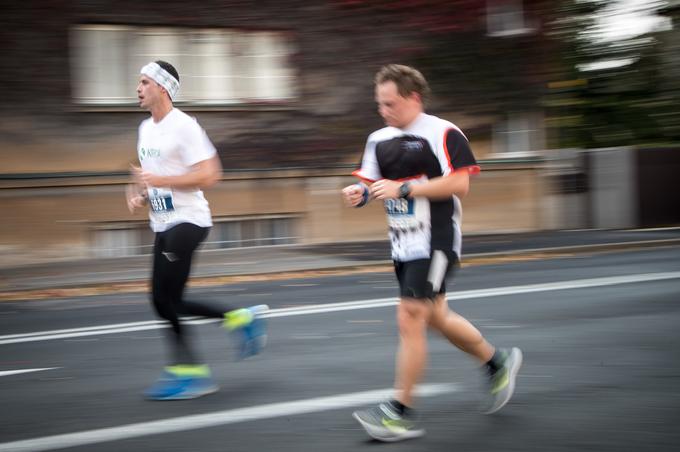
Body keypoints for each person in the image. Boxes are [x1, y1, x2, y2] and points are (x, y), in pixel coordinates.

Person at [343, 64, 523, 442]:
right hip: (402, 244)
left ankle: (399, 413)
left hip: (436, 241)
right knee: (436, 316)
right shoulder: (378, 138)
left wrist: (404, 190)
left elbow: (460, 184)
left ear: (413, 98)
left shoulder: (443, 132)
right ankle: (497, 362)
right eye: (379, 104)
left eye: (390, 104)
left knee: (409, 316)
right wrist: (358, 195)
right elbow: (374, 186)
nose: (384, 111)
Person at [126, 60, 267, 401]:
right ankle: (238, 318)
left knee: (163, 299)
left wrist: (161, 181)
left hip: (188, 222)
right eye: (139, 82)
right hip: (163, 221)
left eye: (144, 82)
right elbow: (157, 175)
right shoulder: (146, 129)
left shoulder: (184, 126)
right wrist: (144, 195)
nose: (138, 88)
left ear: (162, 87)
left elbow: (210, 174)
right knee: (167, 302)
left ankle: (191, 374)